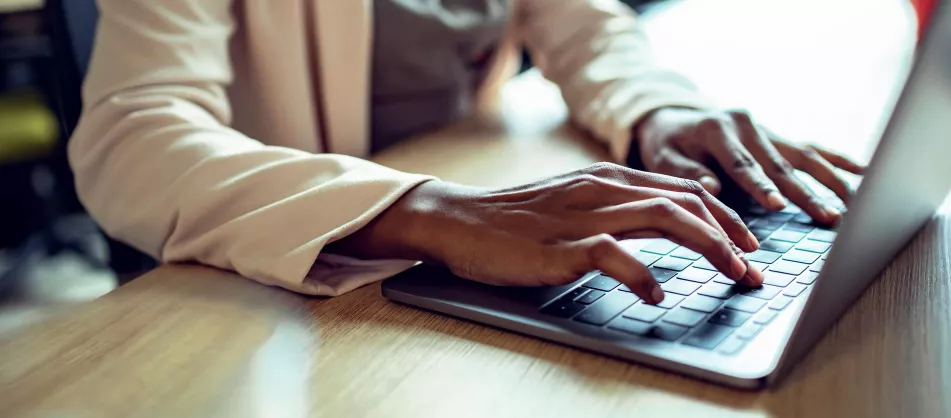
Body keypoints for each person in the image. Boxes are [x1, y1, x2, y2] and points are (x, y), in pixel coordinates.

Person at [69, 0, 863, 305]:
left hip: (434, 255)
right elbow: (131, 131)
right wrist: (427, 211)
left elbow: (585, 27)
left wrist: (659, 109)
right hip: (255, 288)